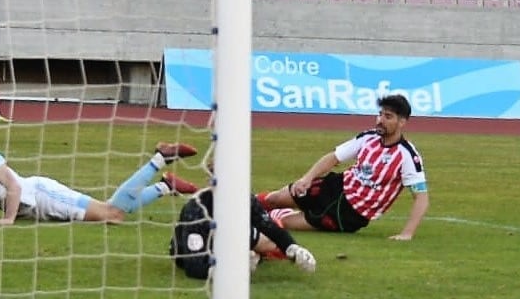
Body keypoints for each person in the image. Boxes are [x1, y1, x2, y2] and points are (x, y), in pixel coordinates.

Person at [0, 126, 199, 225]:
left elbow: (12, 185)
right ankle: (165, 186)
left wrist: (8, 219)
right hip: (32, 213)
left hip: (40, 194)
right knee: (115, 215)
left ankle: (160, 158)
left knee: (112, 213)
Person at [258, 94, 428, 239]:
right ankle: (240, 206)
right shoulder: (368, 137)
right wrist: (307, 178)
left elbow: (421, 197)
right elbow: (334, 157)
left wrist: (407, 233)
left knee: (282, 223)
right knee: (275, 198)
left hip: (349, 214)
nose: (380, 120)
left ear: (402, 122)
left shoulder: (407, 156)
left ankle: (253, 222)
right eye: (380, 114)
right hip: (335, 186)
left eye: (388, 117)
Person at [170, 188, 317, 280]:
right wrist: (232, 268)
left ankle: (258, 255)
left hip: (231, 237)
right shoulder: (196, 210)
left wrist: (293, 248)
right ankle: (248, 256)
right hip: (199, 250)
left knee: (269, 243)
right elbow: (193, 267)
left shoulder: (244, 198)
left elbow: (268, 226)